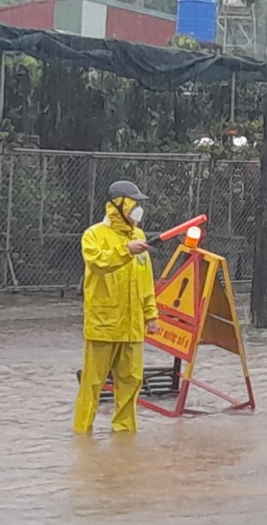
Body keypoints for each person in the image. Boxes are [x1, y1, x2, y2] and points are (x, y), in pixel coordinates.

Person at [74, 180, 159, 434]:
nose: (138, 210)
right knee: (93, 383)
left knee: (132, 381)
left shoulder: (138, 236)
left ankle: (124, 434)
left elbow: (145, 279)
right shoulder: (93, 235)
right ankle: (82, 433)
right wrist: (126, 250)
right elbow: (99, 263)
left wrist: (151, 314)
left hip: (132, 326)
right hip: (103, 324)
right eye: (134, 204)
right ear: (119, 205)